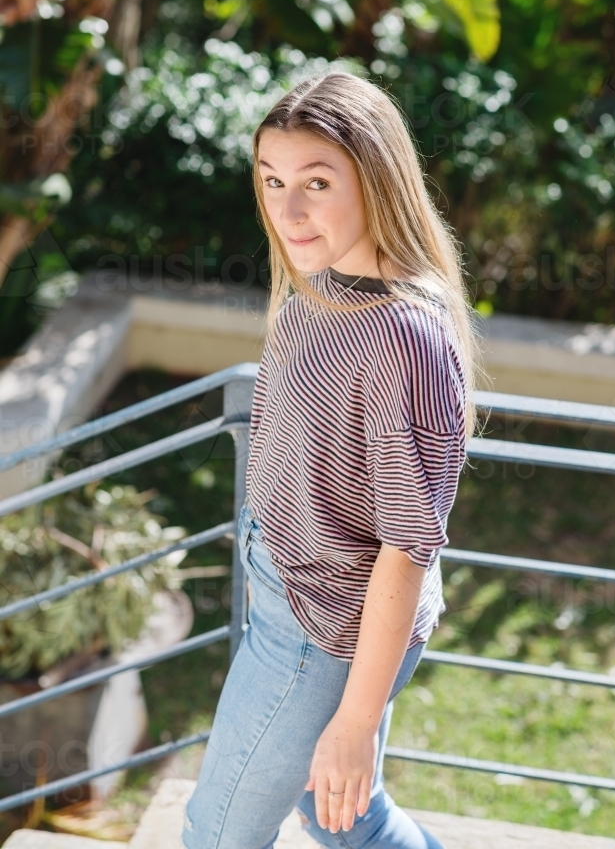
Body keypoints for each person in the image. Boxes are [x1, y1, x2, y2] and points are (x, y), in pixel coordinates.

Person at [182, 72, 479, 849]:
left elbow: (407, 544)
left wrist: (353, 719)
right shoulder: (321, 283)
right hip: (291, 595)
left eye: (316, 183)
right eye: (272, 181)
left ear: (375, 180)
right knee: (345, 817)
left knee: (216, 836)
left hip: (320, 635)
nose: (288, 212)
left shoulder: (401, 336)